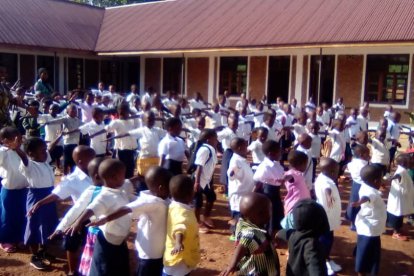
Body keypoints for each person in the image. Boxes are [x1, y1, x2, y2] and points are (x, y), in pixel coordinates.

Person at [88, 166, 171, 276]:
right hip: (151, 253)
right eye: (169, 187)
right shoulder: (151, 202)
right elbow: (126, 209)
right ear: (161, 188)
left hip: (159, 250)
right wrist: (106, 218)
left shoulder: (163, 199)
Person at [27, 145, 96, 276]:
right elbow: (57, 194)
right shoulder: (72, 179)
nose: (95, 159)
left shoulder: (96, 172)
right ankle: (72, 270)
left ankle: (89, 266)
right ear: (80, 161)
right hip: (78, 216)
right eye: (91, 157)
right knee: (72, 243)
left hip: (96, 215)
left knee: (91, 241)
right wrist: (40, 203)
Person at [67, 159, 131, 276]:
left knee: (119, 266)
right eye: (123, 175)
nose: (125, 177)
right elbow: (91, 208)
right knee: (103, 268)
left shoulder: (119, 191)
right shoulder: (105, 195)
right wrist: (78, 222)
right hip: (107, 241)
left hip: (119, 240)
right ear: (114, 177)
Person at [14, 138, 58, 270]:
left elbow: (50, 148)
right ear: (31, 153)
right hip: (36, 197)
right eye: (42, 151)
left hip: (49, 196)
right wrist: (17, 149)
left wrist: (59, 137)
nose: (45, 153)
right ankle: (34, 256)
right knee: (34, 225)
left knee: (48, 225)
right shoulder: (29, 165)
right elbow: (23, 157)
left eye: (45, 150)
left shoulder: (44, 161)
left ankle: (43, 251)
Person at [222, 193, 280, 276]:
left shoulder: (243, 222)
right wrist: (232, 265)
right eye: (269, 210)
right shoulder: (253, 232)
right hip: (257, 271)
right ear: (261, 214)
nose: (271, 213)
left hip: (252, 263)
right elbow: (243, 244)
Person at [277, 199, 329, 276]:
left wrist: (276, 236)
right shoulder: (312, 245)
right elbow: (316, 269)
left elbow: (281, 233)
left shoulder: (293, 234)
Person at [352, 165, 387, 276]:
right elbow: (367, 197)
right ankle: (362, 271)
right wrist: (359, 202)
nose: (382, 181)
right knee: (367, 251)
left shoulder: (366, 186)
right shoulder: (370, 192)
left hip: (369, 228)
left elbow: (370, 194)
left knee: (365, 248)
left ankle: (363, 267)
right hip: (370, 229)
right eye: (381, 179)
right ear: (376, 181)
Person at [163, 175, 200, 276]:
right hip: (179, 259)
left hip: (179, 255)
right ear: (189, 195)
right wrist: (178, 242)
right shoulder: (182, 212)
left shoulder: (174, 206)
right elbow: (179, 227)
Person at [0, 127, 29, 253]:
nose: (19, 140)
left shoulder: (22, 149)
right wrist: (9, 148)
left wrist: (18, 147)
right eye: (15, 138)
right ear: (5, 141)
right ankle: (6, 240)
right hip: (10, 189)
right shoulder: (3, 152)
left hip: (25, 188)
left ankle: (20, 238)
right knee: (8, 216)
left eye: (19, 137)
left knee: (23, 214)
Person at [314, 158, 342, 275]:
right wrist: (329, 196)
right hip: (325, 217)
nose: (337, 174)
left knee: (329, 238)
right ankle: (323, 262)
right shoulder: (326, 182)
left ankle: (327, 258)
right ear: (331, 172)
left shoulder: (323, 177)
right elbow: (327, 189)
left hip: (328, 216)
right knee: (325, 240)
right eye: (337, 171)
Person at [253, 140, 285, 235]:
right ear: (271, 153)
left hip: (275, 192)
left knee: (277, 213)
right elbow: (257, 181)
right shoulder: (265, 167)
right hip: (268, 193)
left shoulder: (275, 164)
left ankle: (274, 234)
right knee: (269, 215)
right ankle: (268, 237)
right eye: (279, 151)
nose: (281, 152)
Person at [227, 137, 255, 240]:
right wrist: (233, 172)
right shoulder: (236, 161)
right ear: (239, 148)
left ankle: (239, 234)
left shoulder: (241, 159)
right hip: (239, 195)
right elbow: (231, 174)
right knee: (238, 215)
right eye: (245, 146)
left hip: (244, 193)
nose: (247, 148)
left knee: (243, 216)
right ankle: (236, 235)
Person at [193, 129, 218, 233]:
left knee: (211, 197)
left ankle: (206, 216)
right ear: (208, 140)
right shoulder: (204, 150)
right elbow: (199, 166)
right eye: (215, 139)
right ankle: (196, 222)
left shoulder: (211, 149)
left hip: (206, 181)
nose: (217, 141)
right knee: (198, 202)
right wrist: (197, 182)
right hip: (199, 180)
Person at [45, 104, 82, 174]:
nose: (75, 112)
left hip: (76, 143)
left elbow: (84, 125)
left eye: (76, 111)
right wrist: (47, 122)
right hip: (67, 143)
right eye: (72, 111)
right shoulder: (65, 119)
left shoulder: (78, 120)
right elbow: (56, 121)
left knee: (73, 161)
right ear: (67, 111)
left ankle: (72, 175)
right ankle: (65, 175)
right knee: (66, 161)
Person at [105, 103, 139, 178]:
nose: (124, 113)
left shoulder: (132, 121)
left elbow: (137, 126)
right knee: (120, 171)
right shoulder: (116, 122)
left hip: (130, 150)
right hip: (121, 151)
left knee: (130, 171)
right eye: (122, 111)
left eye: (126, 110)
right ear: (119, 112)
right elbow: (108, 129)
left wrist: (133, 113)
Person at [386, 154, 414, 241]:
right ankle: (396, 233)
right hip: (399, 199)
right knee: (397, 214)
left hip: (400, 197)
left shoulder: (403, 170)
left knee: (399, 214)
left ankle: (397, 230)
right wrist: (391, 178)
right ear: (403, 163)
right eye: (410, 161)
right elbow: (398, 176)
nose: (412, 162)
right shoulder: (401, 172)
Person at [282, 150, 311, 228]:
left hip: (300, 206)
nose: (306, 166)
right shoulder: (294, 173)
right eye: (305, 164)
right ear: (300, 164)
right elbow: (289, 177)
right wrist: (283, 178)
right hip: (295, 207)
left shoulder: (297, 174)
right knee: (294, 228)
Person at [346, 145, 370, 230]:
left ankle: (352, 222)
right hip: (364, 185)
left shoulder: (351, 163)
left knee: (353, 202)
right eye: (367, 154)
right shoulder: (365, 164)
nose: (369, 156)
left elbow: (347, 167)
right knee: (362, 204)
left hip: (355, 185)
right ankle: (359, 222)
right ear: (361, 155)